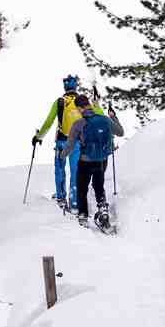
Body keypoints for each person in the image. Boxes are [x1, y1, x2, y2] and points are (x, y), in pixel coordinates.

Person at [32, 75, 95, 212]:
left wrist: (38, 136)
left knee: (60, 169)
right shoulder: (83, 102)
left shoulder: (60, 102)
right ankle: (74, 202)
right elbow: (96, 116)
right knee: (75, 171)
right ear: (76, 86)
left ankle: (61, 198)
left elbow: (48, 122)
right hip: (78, 142)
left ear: (65, 87)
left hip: (61, 141)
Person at [60, 94, 124, 228]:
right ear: (89, 104)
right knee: (99, 186)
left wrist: (61, 155)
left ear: (79, 108)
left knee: (82, 189)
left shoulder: (78, 124)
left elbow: (70, 145)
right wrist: (113, 117)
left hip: (85, 162)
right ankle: (103, 211)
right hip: (101, 160)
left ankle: (83, 217)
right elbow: (120, 132)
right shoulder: (105, 119)